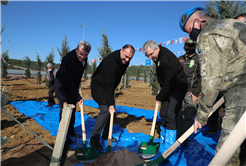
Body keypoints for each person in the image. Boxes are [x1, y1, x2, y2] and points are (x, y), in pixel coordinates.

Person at [179, 7, 246, 165]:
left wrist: (202, 114)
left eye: (189, 31)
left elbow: (211, 79)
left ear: (197, 22)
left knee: (228, 153)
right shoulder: (235, 25)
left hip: (240, 94)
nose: (190, 36)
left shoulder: (209, 34)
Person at [142, 40, 187, 154]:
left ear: (157, 48)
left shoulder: (167, 59)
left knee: (171, 114)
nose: (150, 57)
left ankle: (169, 147)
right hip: (168, 87)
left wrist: (159, 97)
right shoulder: (157, 58)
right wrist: (161, 89)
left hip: (178, 88)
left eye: (151, 54)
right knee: (163, 113)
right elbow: (163, 78)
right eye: (148, 56)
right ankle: (163, 140)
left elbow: (169, 83)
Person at [90, 44, 135, 151]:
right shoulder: (111, 62)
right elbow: (108, 85)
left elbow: (117, 77)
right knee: (106, 110)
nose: (127, 59)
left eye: (130, 58)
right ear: (121, 50)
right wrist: (110, 103)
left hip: (108, 86)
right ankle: (94, 138)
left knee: (112, 112)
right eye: (125, 56)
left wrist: (111, 104)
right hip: (99, 86)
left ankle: (106, 134)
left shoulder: (124, 60)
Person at [54, 41, 91, 144]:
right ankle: (63, 135)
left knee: (73, 109)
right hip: (62, 86)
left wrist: (77, 88)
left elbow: (77, 74)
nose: (83, 57)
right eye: (81, 54)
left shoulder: (84, 58)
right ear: (76, 50)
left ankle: (70, 130)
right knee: (65, 110)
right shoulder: (68, 60)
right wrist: (78, 97)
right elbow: (67, 81)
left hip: (72, 86)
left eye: (85, 55)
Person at [176, 38, 201, 146]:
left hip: (191, 93)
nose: (189, 48)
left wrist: (196, 92)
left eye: (192, 46)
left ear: (195, 48)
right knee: (178, 114)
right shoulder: (179, 59)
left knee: (189, 116)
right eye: (187, 46)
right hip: (178, 92)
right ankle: (178, 136)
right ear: (184, 47)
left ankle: (184, 138)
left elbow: (201, 78)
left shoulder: (199, 59)